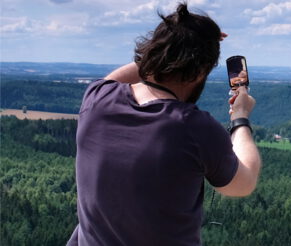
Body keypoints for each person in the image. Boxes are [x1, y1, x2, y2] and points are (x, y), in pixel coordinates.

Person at [67, 3, 261, 245]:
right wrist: (240, 117)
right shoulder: (194, 127)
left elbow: (116, 78)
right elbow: (243, 184)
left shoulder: (97, 99)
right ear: (201, 71)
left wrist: (172, 46)